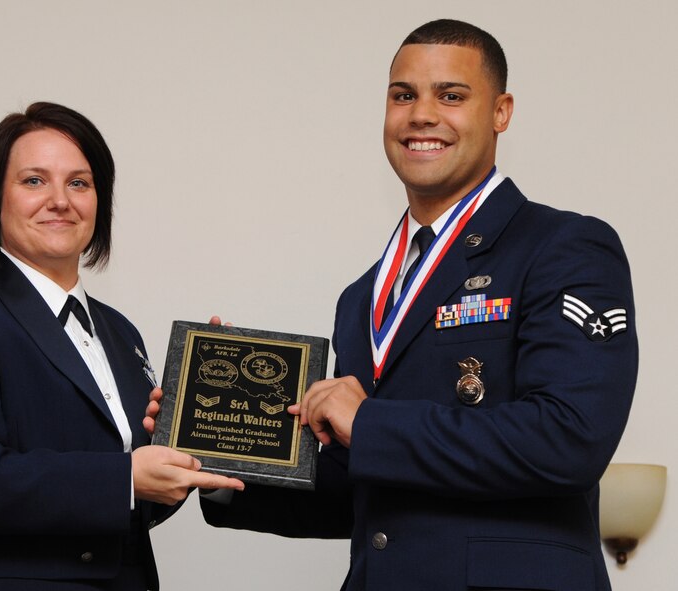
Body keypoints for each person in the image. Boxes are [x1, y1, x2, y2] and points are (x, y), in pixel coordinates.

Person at [189, 19, 637, 590]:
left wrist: (370, 423)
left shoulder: (564, 246)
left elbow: (569, 439)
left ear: (501, 112)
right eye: (404, 95)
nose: (421, 115)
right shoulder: (363, 295)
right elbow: (377, 493)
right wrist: (228, 453)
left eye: (451, 95)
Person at [0, 102, 243, 591]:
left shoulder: (121, 334)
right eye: (34, 181)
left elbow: (135, 504)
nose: (60, 200)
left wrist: (205, 444)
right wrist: (123, 478)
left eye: (79, 183)